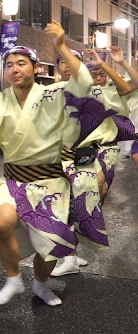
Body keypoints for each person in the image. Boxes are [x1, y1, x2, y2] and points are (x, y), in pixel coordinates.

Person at [0, 21, 95, 307]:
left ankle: (40, 284)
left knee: (50, 247)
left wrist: (60, 45)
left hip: (50, 182)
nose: (15, 69)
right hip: (13, 180)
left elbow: (83, 83)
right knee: (1, 222)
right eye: (9, 65)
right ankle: (12, 279)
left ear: (36, 69)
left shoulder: (53, 95)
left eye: (22, 63)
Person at [51, 48, 138, 276]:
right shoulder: (55, 92)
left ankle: (72, 249)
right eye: (63, 62)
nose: (68, 65)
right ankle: (69, 256)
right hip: (72, 155)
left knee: (93, 200)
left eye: (75, 62)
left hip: (105, 151)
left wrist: (116, 61)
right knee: (76, 202)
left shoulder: (104, 90)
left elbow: (131, 85)